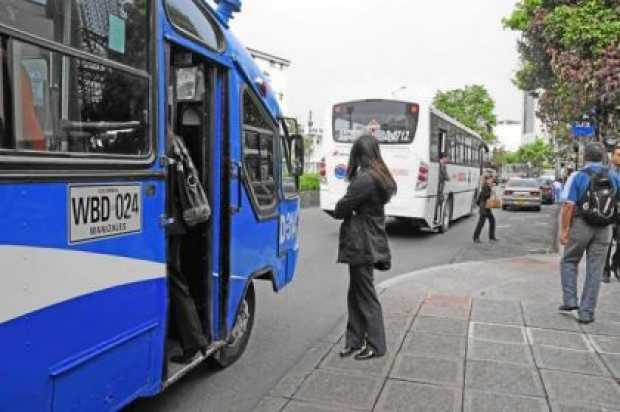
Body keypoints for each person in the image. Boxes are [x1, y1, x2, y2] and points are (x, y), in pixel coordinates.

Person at [334, 134, 396, 361]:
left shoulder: (365, 179)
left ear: (360, 155)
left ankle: (376, 345)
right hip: (369, 239)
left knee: (365, 294)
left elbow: (341, 208)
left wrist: (346, 207)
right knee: (356, 293)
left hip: (362, 242)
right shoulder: (380, 176)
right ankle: (354, 341)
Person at [559, 142, 620, 323]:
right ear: (603, 157)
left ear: (585, 157)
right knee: (595, 269)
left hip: (580, 225)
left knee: (569, 260)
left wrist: (564, 230)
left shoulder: (577, 176)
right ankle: (587, 313)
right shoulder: (614, 176)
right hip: (605, 228)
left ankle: (570, 301)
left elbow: (568, 206)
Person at [167, 130, 209, 363]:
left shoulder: (164, 142)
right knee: (175, 280)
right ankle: (193, 339)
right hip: (177, 223)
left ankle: (194, 341)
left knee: (174, 280)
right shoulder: (177, 141)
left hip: (170, 224)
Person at [603, 145, 620, 282]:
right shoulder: (607, 172)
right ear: (612, 156)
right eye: (618, 154)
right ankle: (605, 270)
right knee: (607, 242)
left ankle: (616, 266)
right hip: (609, 212)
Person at [473, 174, 498, 243]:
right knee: (481, 223)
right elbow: (486, 195)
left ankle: (491, 237)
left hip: (486, 207)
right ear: (488, 179)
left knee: (492, 221)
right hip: (484, 207)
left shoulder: (487, 185)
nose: (492, 180)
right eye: (491, 179)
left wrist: (491, 188)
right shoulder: (485, 186)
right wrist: (491, 189)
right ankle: (476, 237)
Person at [434, 153, 450, 225]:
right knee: (440, 201)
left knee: (438, 201)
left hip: (437, 186)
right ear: (443, 158)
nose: (448, 160)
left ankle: (436, 218)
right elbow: (445, 175)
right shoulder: (443, 165)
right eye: (447, 158)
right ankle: (437, 218)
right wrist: (448, 178)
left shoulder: (437, 164)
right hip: (440, 186)